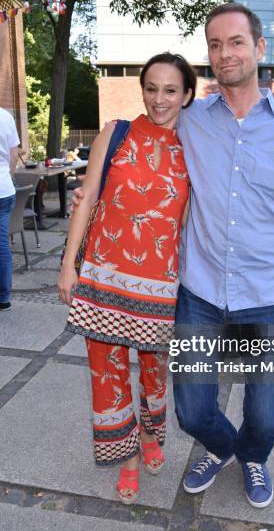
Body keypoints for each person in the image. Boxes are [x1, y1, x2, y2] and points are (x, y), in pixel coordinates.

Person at [72, 3, 274, 509]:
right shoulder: (191, 121)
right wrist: (93, 195)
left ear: (259, 48)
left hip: (270, 296)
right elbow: (142, 157)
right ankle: (222, 448)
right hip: (202, 295)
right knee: (191, 411)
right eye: (214, 44)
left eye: (235, 42)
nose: (225, 53)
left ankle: (254, 455)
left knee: (269, 415)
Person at [58, 53, 195, 504]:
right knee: (107, 372)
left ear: (187, 95)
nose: (160, 99)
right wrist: (67, 265)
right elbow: (88, 196)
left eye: (170, 90)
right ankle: (129, 457)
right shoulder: (116, 132)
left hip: (161, 286)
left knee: (154, 373)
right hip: (102, 279)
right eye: (152, 88)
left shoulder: (195, 147)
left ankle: (152, 434)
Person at [0, 107, 20, 312]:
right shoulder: (6, 117)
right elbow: (14, 155)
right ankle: (3, 297)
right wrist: (9, 176)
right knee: (2, 244)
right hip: (5, 189)